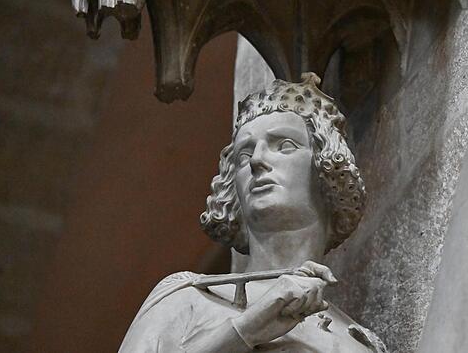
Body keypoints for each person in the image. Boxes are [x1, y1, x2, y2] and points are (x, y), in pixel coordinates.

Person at [119, 73, 386, 352]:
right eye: (244, 155)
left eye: (284, 145)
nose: (257, 160)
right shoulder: (188, 300)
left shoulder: (359, 343)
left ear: (328, 168)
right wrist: (244, 330)